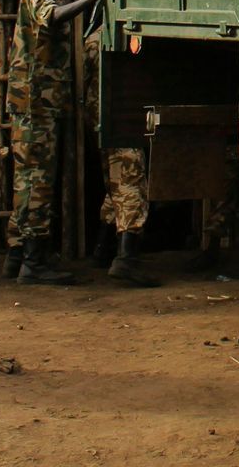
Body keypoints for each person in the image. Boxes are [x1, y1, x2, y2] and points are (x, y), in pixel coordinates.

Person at [3, 0, 109, 285]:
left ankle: (17, 255)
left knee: (27, 179)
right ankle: (33, 263)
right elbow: (51, 18)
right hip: (36, 101)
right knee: (37, 180)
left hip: (37, 100)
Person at [81, 24, 158, 287]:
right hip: (120, 118)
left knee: (116, 186)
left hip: (101, 120)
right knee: (131, 184)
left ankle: (102, 250)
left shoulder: (93, 38)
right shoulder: (127, 35)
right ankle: (126, 259)